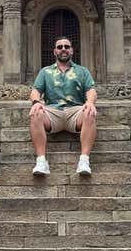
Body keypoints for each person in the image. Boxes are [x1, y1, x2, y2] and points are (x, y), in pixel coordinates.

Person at [28, 35, 97, 176]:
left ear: (71, 50)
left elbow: (91, 90)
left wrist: (90, 102)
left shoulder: (82, 71)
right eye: (60, 47)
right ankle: (41, 161)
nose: (63, 49)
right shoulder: (45, 71)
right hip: (52, 112)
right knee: (36, 113)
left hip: (75, 112)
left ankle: (84, 160)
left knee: (89, 112)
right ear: (55, 51)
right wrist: (36, 102)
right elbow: (35, 91)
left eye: (67, 47)